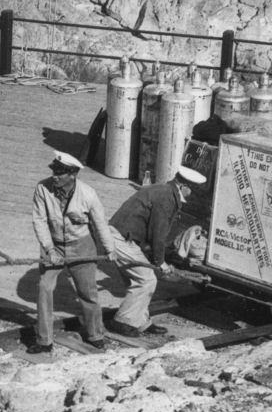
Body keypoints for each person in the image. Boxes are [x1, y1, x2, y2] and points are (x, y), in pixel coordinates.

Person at [29, 151, 118, 353]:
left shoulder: (88, 194)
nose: (55, 176)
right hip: (54, 245)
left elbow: (100, 224)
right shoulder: (42, 189)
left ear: (73, 175)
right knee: (44, 288)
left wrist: (110, 249)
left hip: (82, 245)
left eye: (60, 173)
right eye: (54, 171)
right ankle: (44, 341)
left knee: (87, 292)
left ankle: (95, 334)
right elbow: (39, 220)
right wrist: (49, 248)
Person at [107, 167, 207, 337]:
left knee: (139, 281)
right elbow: (157, 233)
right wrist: (161, 262)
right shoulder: (167, 197)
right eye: (192, 189)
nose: (192, 194)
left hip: (125, 236)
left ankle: (140, 322)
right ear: (183, 186)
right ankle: (122, 321)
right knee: (146, 280)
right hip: (121, 238)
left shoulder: (165, 191)